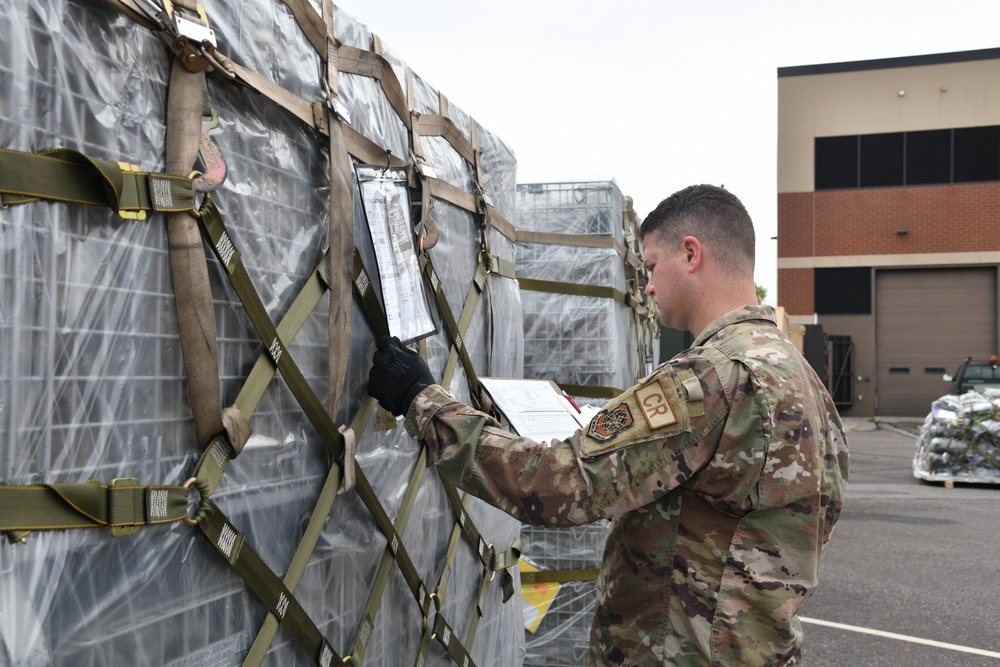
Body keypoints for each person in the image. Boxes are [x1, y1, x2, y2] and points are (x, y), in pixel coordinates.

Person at [368, 184, 849, 666]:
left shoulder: (709, 378)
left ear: (690, 254)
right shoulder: (806, 382)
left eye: (652, 266)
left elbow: (553, 484)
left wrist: (423, 401)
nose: (649, 286)